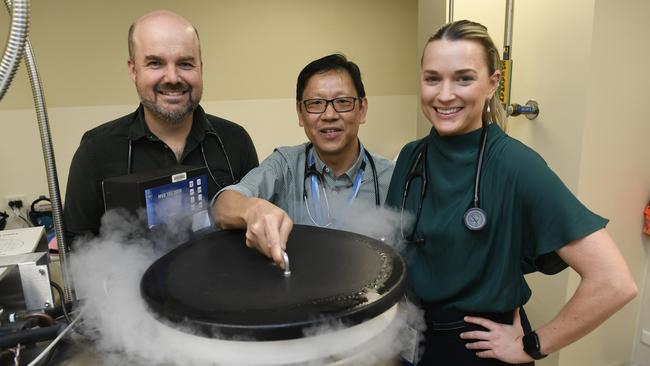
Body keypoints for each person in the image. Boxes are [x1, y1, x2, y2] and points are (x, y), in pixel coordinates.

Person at [385, 20, 637, 365]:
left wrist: (533, 344)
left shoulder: (516, 166)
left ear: (493, 84)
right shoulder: (411, 157)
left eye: (464, 78)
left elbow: (614, 281)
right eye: (432, 78)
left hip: (477, 350)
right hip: (414, 340)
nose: (444, 94)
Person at [64, 10, 258, 246]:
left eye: (185, 63)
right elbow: (77, 249)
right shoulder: (96, 151)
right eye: (155, 63)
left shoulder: (234, 141)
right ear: (133, 70)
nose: (173, 77)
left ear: (201, 68)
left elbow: (253, 231)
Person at [212, 54, 394, 267]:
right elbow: (222, 207)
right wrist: (252, 209)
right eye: (316, 103)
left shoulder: (391, 176)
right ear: (300, 113)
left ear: (362, 109)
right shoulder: (285, 165)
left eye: (342, 102)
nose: (329, 114)